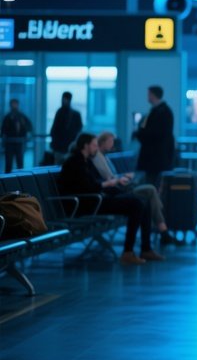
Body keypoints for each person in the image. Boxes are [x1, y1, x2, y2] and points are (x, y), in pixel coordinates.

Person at [58, 133, 164, 265]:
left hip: (95, 200)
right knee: (136, 204)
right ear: (86, 146)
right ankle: (128, 252)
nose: (96, 148)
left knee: (143, 201)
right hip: (87, 204)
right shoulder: (74, 163)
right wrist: (107, 184)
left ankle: (146, 249)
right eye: (94, 145)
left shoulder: (84, 161)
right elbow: (88, 187)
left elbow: (93, 184)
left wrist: (114, 188)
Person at [92, 131, 177, 245]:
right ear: (102, 142)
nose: (113, 144)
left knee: (150, 194)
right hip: (119, 191)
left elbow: (111, 176)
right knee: (150, 192)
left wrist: (122, 177)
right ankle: (162, 232)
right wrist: (122, 178)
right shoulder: (98, 157)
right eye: (110, 141)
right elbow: (109, 177)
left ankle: (163, 232)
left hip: (120, 188)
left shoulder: (104, 157)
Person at [133, 86, 175, 186]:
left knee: (153, 184)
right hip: (157, 158)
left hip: (156, 158)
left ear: (153, 95)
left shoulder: (161, 112)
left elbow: (154, 134)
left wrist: (140, 133)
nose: (147, 97)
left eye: (149, 94)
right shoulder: (160, 111)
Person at [49, 91, 83, 164]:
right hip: (64, 145)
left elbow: (54, 128)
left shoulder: (62, 112)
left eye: (65, 99)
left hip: (64, 145)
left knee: (60, 165)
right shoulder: (73, 113)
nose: (64, 101)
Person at [1, 99, 33, 172]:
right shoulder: (7, 117)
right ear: (10, 105)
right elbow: (3, 130)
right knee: (9, 163)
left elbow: (29, 127)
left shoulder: (22, 116)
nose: (14, 106)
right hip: (10, 142)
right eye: (13, 104)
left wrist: (26, 135)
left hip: (19, 142)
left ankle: (20, 176)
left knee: (20, 163)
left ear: (18, 105)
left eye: (15, 104)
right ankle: (8, 177)